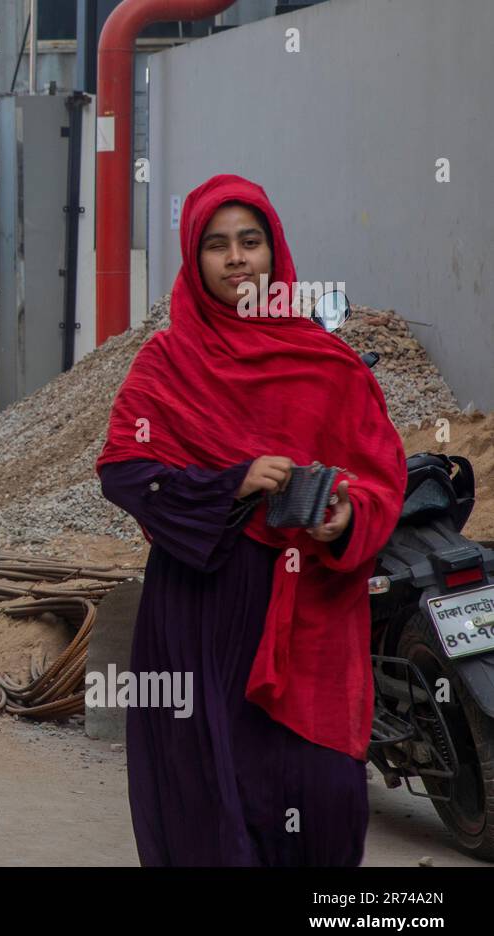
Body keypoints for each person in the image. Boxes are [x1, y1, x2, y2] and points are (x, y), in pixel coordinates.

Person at [96, 174, 405, 866]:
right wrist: (229, 485)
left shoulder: (331, 367)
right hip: (199, 611)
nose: (237, 259)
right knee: (208, 800)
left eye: (250, 241)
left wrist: (343, 517)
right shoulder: (167, 364)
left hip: (310, 615)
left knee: (321, 798)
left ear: (275, 252)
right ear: (193, 260)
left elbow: (384, 481)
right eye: (216, 245)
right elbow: (124, 470)